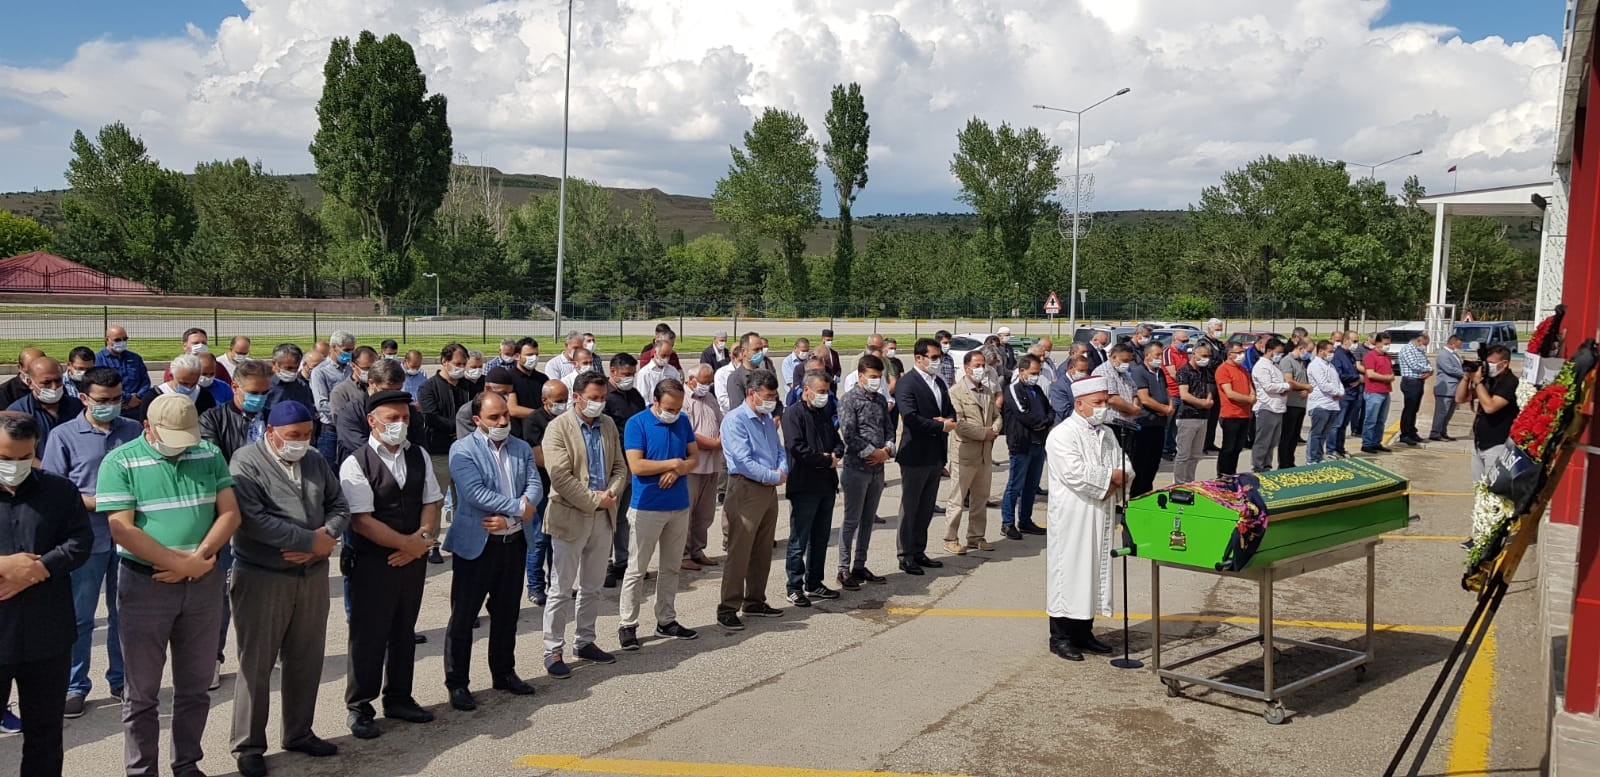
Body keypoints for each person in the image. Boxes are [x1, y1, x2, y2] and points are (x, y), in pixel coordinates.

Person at [98, 394, 240, 777]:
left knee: (195, 687)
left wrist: (198, 560)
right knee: (142, 694)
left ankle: (187, 764)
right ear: (148, 427)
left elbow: (229, 512)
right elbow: (121, 528)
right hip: (146, 586)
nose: (181, 448)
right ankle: (142, 771)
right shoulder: (121, 461)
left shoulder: (207, 452)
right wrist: (179, 563)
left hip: (203, 583)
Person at [227, 401, 348, 776]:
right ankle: (248, 745)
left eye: (307, 435)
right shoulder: (245, 463)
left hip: (311, 577)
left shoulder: (313, 459)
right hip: (263, 576)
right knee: (256, 663)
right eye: (293, 437)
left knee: (306, 657)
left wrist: (327, 535)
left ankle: (299, 732)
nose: (300, 443)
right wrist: (309, 541)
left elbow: (339, 504)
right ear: (271, 433)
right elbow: (252, 520)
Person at [338, 390, 443, 739]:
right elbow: (361, 520)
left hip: (412, 559)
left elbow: (431, 501)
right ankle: (360, 706)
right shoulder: (356, 462)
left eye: (405, 419)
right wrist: (407, 544)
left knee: (403, 631)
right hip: (373, 562)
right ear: (372, 421)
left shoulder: (419, 455)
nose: (400, 425)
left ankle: (399, 696)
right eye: (392, 419)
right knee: (369, 636)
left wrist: (422, 541)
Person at [40, 366, 140, 718]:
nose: (111, 406)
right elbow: (54, 490)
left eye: (117, 400)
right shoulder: (64, 436)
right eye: (102, 400)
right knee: (81, 617)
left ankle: (122, 679)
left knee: (125, 613)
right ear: (83, 398)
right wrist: (100, 501)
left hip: (130, 538)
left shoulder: (134, 430)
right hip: (87, 540)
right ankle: (74, 685)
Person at [0, 412, 92, 777]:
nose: (16, 466)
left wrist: (37, 569)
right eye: (6, 459)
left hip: (47, 635)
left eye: (25, 458)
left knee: (45, 733)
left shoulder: (58, 490)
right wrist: (5, 566)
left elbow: (80, 542)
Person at [443, 392, 541, 711]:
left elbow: (535, 486)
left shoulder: (521, 447)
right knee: (464, 617)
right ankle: (458, 684)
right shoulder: (463, 450)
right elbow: (474, 493)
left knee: (507, 614)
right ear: (477, 421)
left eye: (505, 417)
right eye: (494, 418)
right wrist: (518, 508)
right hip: (477, 547)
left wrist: (514, 516)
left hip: (513, 544)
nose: (502, 423)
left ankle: (504, 672)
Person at [541, 372, 626, 677]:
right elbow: (560, 477)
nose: (599, 404)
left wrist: (612, 493)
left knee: (591, 586)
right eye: (593, 398)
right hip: (571, 515)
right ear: (577, 397)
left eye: (602, 398)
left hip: (604, 515)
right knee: (561, 588)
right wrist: (594, 499)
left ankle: (585, 640)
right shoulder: (557, 429)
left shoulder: (608, 425)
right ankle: (553, 648)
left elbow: (619, 466)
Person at [617, 378, 700, 646]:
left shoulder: (683, 422)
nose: (673, 414)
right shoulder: (637, 423)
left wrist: (677, 469)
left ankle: (666, 619)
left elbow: (694, 459)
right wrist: (673, 463)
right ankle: (627, 623)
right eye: (669, 408)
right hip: (647, 507)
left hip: (678, 505)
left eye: (677, 408)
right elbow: (637, 466)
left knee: (671, 567)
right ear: (655, 401)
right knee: (636, 568)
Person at [1044, 377, 1122, 661]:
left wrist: (1118, 477)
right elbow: (1074, 473)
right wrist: (1110, 479)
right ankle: (1061, 637)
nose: (1103, 408)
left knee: (1093, 572)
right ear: (1079, 404)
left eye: (1105, 402)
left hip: (1099, 511)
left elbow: (1122, 464)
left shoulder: (1107, 433)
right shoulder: (1062, 434)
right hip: (1073, 515)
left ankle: (1084, 632)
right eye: (1097, 403)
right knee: (1069, 573)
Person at [717, 370, 788, 629]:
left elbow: (778, 449)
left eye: (773, 396)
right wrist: (772, 475)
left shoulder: (767, 418)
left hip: (768, 489)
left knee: (763, 548)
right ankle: (728, 607)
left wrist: (782, 471)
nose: (771, 401)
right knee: (740, 551)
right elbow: (742, 461)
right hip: (746, 488)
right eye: (767, 396)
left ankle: (755, 599)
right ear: (752, 393)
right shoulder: (735, 421)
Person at [780, 371, 843, 607]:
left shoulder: (823, 413)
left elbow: (837, 440)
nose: (824, 396)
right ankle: (794, 586)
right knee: (799, 539)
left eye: (827, 392)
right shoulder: (793, 414)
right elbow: (796, 447)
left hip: (827, 484)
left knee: (821, 538)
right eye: (821, 392)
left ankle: (814, 582)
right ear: (807, 390)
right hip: (805, 484)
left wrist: (836, 453)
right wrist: (824, 459)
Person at [895, 338, 955, 576]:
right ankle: (905, 554)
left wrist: (948, 421)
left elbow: (949, 410)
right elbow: (910, 417)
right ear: (918, 358)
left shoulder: (939, 382)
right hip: (915, 453)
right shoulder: (907, 383)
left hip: (935, 454)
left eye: (938, 357)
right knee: (910, 507)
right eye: (933, 357)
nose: (937, 361)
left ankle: (919, 550)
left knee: (926, 507)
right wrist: (938, 426)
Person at [837, 355, 893, 591]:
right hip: (857, 468)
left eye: (879, 377)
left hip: (877, 470)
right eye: (872, 377)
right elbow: (849, 434)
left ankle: (860, 564)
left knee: (868, 520)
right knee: (851, 520)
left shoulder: (880, 400)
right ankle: (843, 568)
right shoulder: (849, 400)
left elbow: (890, 428)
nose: (876, 381)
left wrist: (888, 449)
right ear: (860, 376)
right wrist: (872, 452)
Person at [418, 343, 471, 562]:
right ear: (444, 361)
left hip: (466, 452)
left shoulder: (469, 387)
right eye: (457, 364)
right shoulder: (428, 387)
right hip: (439, 451)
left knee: (464, 501)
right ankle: (431, 544)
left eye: (464, 364)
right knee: (436, 501)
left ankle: (459, 541)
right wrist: (458, 427)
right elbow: (431, 417)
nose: (461, 368)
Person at [945, 350, 1001, 554]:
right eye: (977, 365)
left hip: (985, 454)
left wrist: (994, 430)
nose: (981, 369)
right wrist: (983, 434)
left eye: (983, 365)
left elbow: (997, 415)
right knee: (957, 499)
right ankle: (951, 537)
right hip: (965, 453)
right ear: (966, 368)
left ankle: (976, 536)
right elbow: (958, 423)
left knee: (981, 498)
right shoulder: (956, 392)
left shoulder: (986, 390)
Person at [600, 353, 645, 588]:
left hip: (633, 464)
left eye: (632, 374)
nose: (630, 378)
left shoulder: (635, 396)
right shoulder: (605, 397)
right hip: (613, 465)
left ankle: (622, 560)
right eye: (626, 374)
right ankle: (605, 563)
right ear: (613, 372)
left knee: (624, 518)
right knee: (608, 516)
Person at [520, 380, 565, 604]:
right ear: (544, 400)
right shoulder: (534, 421)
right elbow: (539, 457)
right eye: (558, 401)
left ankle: (556, 584)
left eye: (566, 400)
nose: (563, 405)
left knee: (558, 540)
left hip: (565, 489)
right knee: (539, 540)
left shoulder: (568, 419)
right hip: (543, 488)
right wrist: (569, 464)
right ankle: (535, 587)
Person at [335, 360, 427, 466]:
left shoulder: (408, 409)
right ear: (371, 383)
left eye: (397, 390)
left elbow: (419, 443)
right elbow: (355, 444)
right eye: (386, 390)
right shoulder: (352, 411)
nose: (392, 395)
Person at [1000, 354, 1051, 539]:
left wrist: (1044, 422)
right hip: (1021, 443)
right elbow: (1024, 415)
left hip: (1038, 443)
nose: (1035, 376)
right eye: (1033, 373)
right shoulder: (1014, 389)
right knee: (1015, 485)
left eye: (1038, 373)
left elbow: (1049, 410)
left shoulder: (1036, 389)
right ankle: (1007, 522)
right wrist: (1041, 422)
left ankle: (1025, 520)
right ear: (1022, 371)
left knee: (1031, 485)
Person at [681, 365, 723, 571]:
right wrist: (713, 444)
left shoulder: (710, 398)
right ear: (691, 379)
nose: (706, 386)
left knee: (705, 513)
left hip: (712, 464)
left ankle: (697, 550)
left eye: (709, 382)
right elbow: (687, 432)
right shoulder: (683, 399)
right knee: (686, 512)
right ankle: (684, 554)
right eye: (703, 382)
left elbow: (720, 421)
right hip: (693, 465)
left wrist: (721, 439)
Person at [1458, 346, 1520, 480]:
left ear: (1504, 364)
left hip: (1497, 445)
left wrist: (1478, 382)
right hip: (1479, 445)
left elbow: (1490, 407)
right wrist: (1466, 378)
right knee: (1479, 489)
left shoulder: (1510, 382)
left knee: (1492, 491)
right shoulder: (1488, 380)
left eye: (1491, 363)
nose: (1488, 366)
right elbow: (1460, 398)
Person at [7, 356, 84, 456]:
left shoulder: (77, 406)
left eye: (58, 380)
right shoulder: (18, 413)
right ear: (30, 383)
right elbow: (16, 451)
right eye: (46, 383)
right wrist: (49, 469)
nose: (54, 387)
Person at [200, 359, 275, 462]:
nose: (260, 398)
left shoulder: (274, 417)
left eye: (265, 393)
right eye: (253, 393)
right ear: (235, 387)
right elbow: (214, 460)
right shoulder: (212, 420)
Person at [1127, 343, 1173, 494]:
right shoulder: (1139, 372)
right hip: (1145, 424)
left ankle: (1147, 493)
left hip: (1159, 424)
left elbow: (1167, 392)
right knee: (1140, 464)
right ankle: (1136, 496)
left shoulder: (1160, 372)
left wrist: (1170, 406)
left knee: (1153, 463)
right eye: (1157, 355)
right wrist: (1164, 409)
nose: (1160, 358)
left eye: (1161, 355)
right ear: (1147, 355)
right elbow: (1144, 398)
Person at [1172, 340, 1217, 483]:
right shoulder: (1184, 371)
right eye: (1203, 355)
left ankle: (1190, 481)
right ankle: (1179, 483)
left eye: (1208, 356)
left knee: (1196, 455)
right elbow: (1184, 394)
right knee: (1183, 454)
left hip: (1203, 417)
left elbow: (1210, 387)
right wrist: (1202, 403)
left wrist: (1209, 399)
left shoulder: (1205, 371)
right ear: (1194, 354)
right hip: (1188, 417)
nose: (1206, 359)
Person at [310, 331, 357, 464]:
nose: (350, 353)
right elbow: (321, 404)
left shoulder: (351, 369)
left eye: (352, 349)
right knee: (329, 468)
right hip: (331, 430)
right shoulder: (320, 372)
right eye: (346, 350)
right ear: (334, 347)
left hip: (351, 429)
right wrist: (346, 413)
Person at [133, 354, 217, 423]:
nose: (189, 388)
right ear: (171, 376)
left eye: (194, 383)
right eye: (184, 383)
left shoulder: (204, 396)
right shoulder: (153, 397)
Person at [1215, 343, 1256, 476]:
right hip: (1230, 414)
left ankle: (1231, 473)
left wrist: (1253, 396)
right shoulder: (1223, 369)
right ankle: (1222, 474)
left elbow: (1250, 387)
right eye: (1238, 352)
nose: (1241, 355)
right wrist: (1248, 399)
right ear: (1230, 354)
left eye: (1242, 352)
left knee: (1238, 448)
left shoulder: (1243, 370)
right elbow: (1230, 393)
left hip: (1245, 414)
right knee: (1228, 447)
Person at [1250, 337, 1290, 473]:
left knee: (1272, 442)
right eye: (1278, 352)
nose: (1280, 355)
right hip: (1267, 408)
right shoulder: (1261, 366)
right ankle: (1258, 466)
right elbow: (1268, 386)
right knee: (1263, 441)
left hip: (1278, 407)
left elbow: (1279, 385)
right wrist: (1286, 386)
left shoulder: (1274, 365)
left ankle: (1267, 466)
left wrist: (1284, 389)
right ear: (1269, 350)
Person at [1305, 340, 1345, 466]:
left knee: (1324, 434)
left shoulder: (1330, 365)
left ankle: (1319, 456)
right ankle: (1311, 458)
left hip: (1332, 404)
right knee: (1316, 433)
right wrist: (1337, 392)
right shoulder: (1315, 365)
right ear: (1321, 351)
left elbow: (1338, 382)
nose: (1332, 354)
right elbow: (1323, 385)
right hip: (1320, 404)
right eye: (1330, 351)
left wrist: (1340, 392)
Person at [95, 327, 150, 412]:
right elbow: (102, 384)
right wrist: (128, 398)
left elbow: (145, 381)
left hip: (136, 407)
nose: (122, 342)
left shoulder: (135, 358)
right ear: (107, 340)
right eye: (117, 340)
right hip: (112, 408)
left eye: (125, 339)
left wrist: (137, 397)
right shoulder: (99, 359)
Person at [1277, 338, 1312, 469]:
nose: (1309, 354)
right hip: (1290, 403)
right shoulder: (1287, 361)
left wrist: (1308, 389)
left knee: (1294, 437)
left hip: (1300, 404)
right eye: (1308, 351)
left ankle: (1290, 461)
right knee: (1287, 435)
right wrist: (1306, 386)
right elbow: (1289, 381)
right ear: (1301, 348)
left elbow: (1305, 382)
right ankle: (1284, 463)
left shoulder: (1301, 362)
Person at [1361, 333, 1396, 454]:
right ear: (1377, 343)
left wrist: (1390, 377)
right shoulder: (1370, 356)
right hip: (1374, 392)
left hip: (1385, 391)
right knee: (1371, 419)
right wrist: (1387, 378)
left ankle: (1376, 442)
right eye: (1385, 344)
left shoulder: (1386, 356)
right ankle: (1367, 443)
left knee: (1381, 420)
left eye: (1388, 344)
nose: (1387, 346)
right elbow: (1370, 374)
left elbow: (1390, 372)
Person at [1091, 343, 1141, 428]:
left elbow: (1134, 392)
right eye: (1124, 360)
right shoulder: (1103, 372)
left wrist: (1135, 407)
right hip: (1111, 423)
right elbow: (1112, 399)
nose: (1127, 364)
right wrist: (1132, 409)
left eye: (1129, 361)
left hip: (1126, 422)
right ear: (1114, 357)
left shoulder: (1124, 373)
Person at [1396, 334, 1433, 447]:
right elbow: (1414, 365)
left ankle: (1412, 432)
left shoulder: (1419, 350)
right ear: (1419, 340)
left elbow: (1426, 362)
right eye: (1424, 344)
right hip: (1410, 382)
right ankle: (1405, 434)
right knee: (1409, 408)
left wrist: (1429, 370)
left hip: (1418, 381)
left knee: (1414, 409)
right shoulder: (1408, 350)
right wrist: (1430, 369)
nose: (1424, 347)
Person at [1330, 333, 1363, 458]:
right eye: (1354, 341)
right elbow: (1338, 374)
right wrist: (1356, 378)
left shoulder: (1350, 355)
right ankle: (1331, 449)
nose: (1356, 344)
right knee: (1337, 424)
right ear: (1345, 341)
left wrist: (1358, 379)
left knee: (1344, 424)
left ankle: (1340, 448)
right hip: (1344, 394)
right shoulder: (1337, 355)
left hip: (1353, 393)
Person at [328, 346, 379, 424]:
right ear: (353, 366)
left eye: (374, 368)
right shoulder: (341, 392)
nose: (371, 372)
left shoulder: (381, 386)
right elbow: (341, 422)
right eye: (366, 368)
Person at [1161, 330, 1191, 459]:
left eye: (1187, 341)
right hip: (1172, 392)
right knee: (1168, 424)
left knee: (1176, 424)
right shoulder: (1168, 352)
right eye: (1183, 341)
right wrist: (1187, 379)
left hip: (1182, 391)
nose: (1185, 344)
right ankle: (1165, 450)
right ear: (1175, 340)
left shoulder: (1183, 353)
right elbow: (1173, 373)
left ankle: (1172, 447)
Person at [1430, 335, 1465, 442]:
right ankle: (1435, 433)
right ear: (1452, 343)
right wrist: (1465, 374)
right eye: (1458, 344)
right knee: (1442, 412)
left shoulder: (1454, 354)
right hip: (1445, 388)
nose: (1459, 347)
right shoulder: (1443, 355)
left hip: (1454, 388)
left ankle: (1443, 432)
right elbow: (1450, 369)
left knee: (1449, 413)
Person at [267, 344, 315, 419]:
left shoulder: (301, 386)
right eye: (289, 368)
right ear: (274, 364)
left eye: (296, 368)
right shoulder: (264, 386)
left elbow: (309, 413)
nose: (293, 372)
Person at [635, 337, 682, 403]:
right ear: (655, 353)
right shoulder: (644, 373)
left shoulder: (673, 371)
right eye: (663, 355)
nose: (666, 358)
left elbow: (678, 392)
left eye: (668, 356)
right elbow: (643, 398)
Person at [1050, 354, 1091, 424]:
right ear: (1071, 368)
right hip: (1066, 425)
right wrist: (1087, 415)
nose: (1084, 373)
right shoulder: (1058, 387)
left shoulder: (1084, 382)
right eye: (1081, 370)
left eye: (1086, 370)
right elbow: (1064, 411)